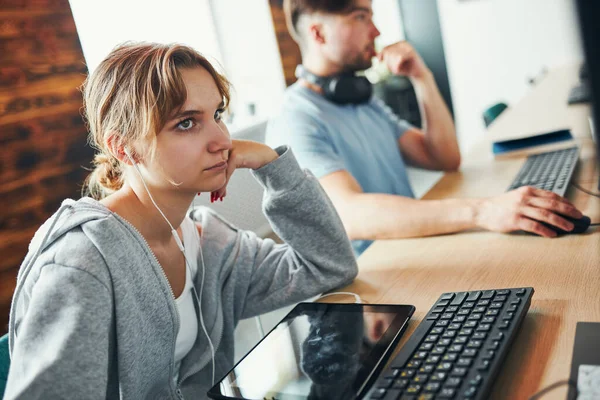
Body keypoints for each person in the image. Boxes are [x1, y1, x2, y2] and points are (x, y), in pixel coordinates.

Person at [4, 42, 358, 399]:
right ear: (124, 148)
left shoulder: (206, 242)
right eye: (186, 123)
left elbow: (328, 266)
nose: (222, 140)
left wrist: (274, 166)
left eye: (217, 114)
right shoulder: (82, 263)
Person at [266, 0, 585, 256]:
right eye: (361, 17)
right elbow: (349, 215)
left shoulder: (362, 101)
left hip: (414, 248)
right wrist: (482, 212)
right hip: (371, 287)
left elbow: (443, 157)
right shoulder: (296, 118)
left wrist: (422, 77)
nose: (376, 30)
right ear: (319, 33)